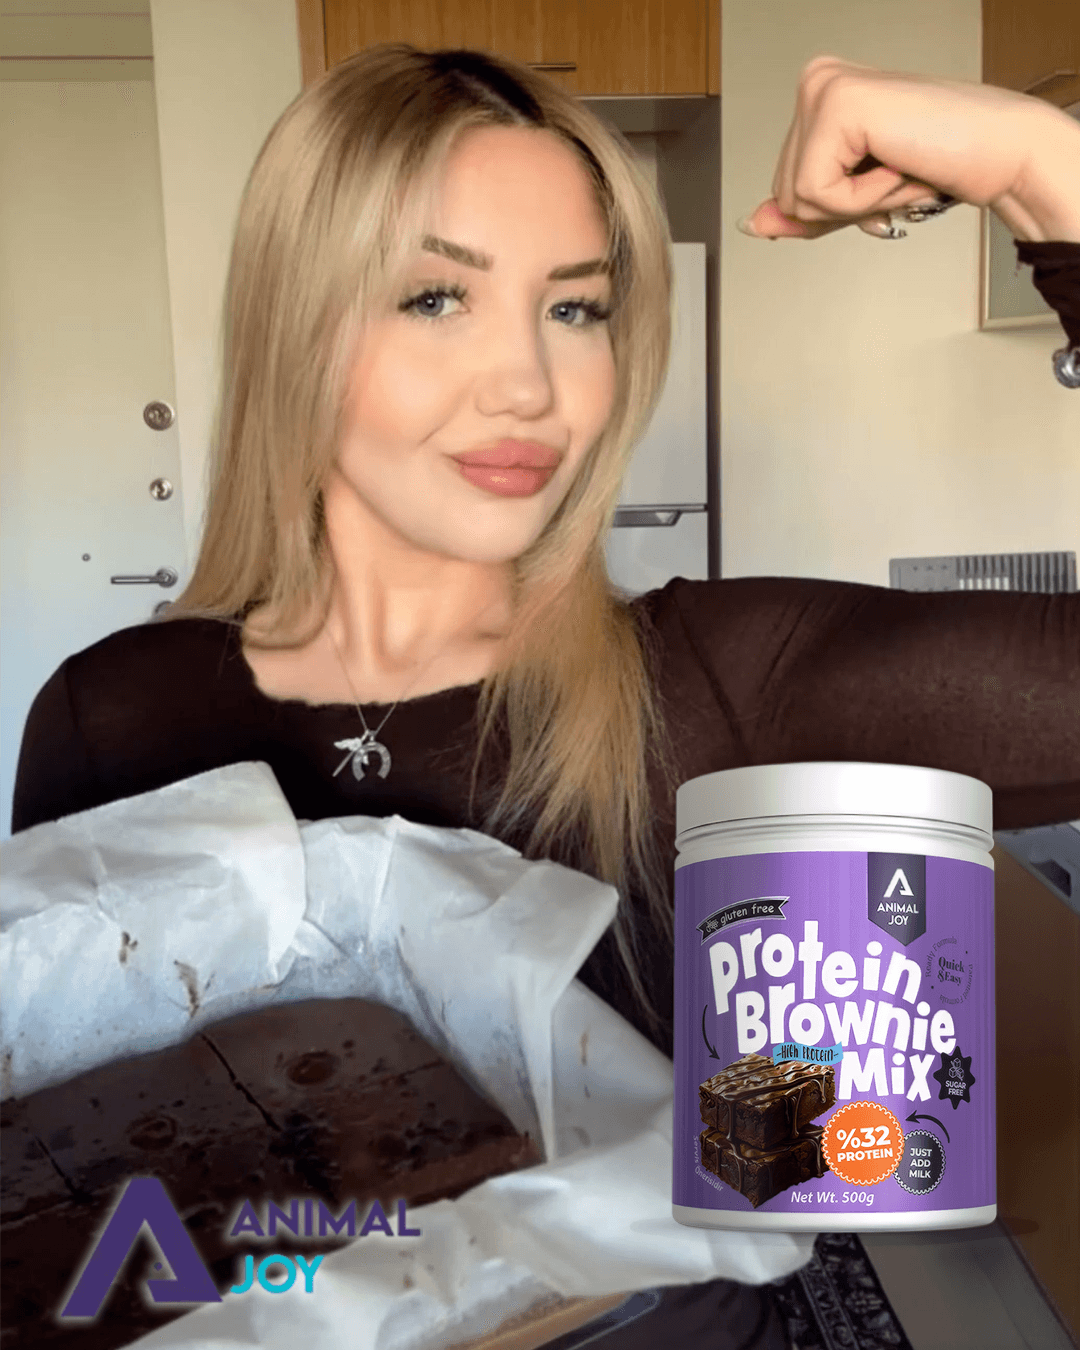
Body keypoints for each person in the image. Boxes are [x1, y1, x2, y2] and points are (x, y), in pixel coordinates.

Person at [10, 46, 1080, 1349]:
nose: (529, 383)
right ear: (294, 325)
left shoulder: (717, 680)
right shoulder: (110, 716)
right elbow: (83, 1182)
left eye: (575, 309)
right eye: (434, 297)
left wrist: (1047, 173)